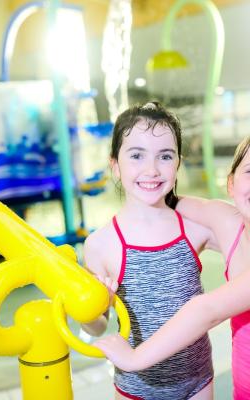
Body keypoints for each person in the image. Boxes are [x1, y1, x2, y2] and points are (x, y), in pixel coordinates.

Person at [93, 136, 250, 399]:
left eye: (166, 155)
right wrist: (149, 181)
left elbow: (207, 310)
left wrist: (133, 359)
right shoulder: (230, 223)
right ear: (231, 184)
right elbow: (177, 201)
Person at [82, 101, 216, 399]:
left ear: (178, 162)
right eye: (137, 155)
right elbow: (96, 327)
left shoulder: (194, 227)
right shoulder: (101, 244)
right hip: (136, 389)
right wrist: (89, 307)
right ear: (115, 165)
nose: (151, 170)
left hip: (198, 381)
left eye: (165, 156)